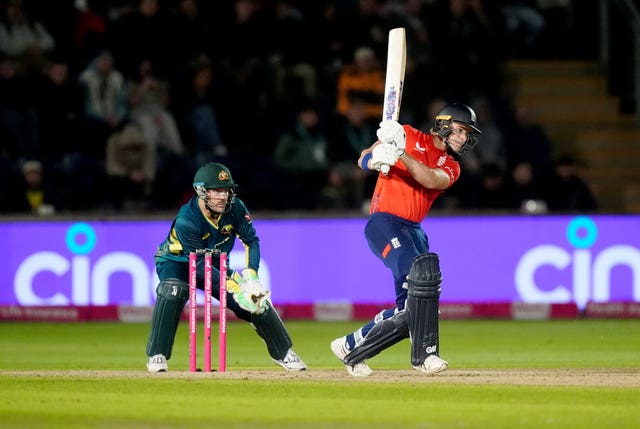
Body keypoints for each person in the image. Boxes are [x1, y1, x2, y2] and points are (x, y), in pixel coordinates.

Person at [330, 102, 482, 376]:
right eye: (460, 130)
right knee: (418, 287)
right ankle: (425, 356)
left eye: (467, 134)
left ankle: (351, 346)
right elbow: (363, 158)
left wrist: (400, 154)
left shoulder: (451, 165)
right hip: (385, 223)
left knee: (413, 308)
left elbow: (430, 179)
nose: (463, 138)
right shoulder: (408, 133)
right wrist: (378, 157)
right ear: (444, 124)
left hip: (414, 230)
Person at [146, 162, 307, 373]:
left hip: (214, 262)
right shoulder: (187, 219)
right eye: (216, 191)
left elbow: (251, 241)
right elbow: (199, 266)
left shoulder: (236, 208)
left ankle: (284, 352)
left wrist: (250, 276)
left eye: (226, 190)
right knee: (173, 290)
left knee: (256, 300)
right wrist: (234, 285)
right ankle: (157, 354)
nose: (223, 197)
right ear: (202, 191)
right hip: (177, 262)